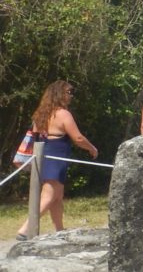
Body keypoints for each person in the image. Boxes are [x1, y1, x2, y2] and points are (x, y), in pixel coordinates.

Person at [15, 81, 98, 240]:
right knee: (48, 195)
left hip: (44, 154)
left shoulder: (41, 113)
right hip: (56, 156)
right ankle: (24, 230)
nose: (71, 96)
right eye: (69, 92)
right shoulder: (63, 114)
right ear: (60, 94)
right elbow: (78, 138)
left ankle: (60, 230)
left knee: (57, 197)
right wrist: (92, 148)